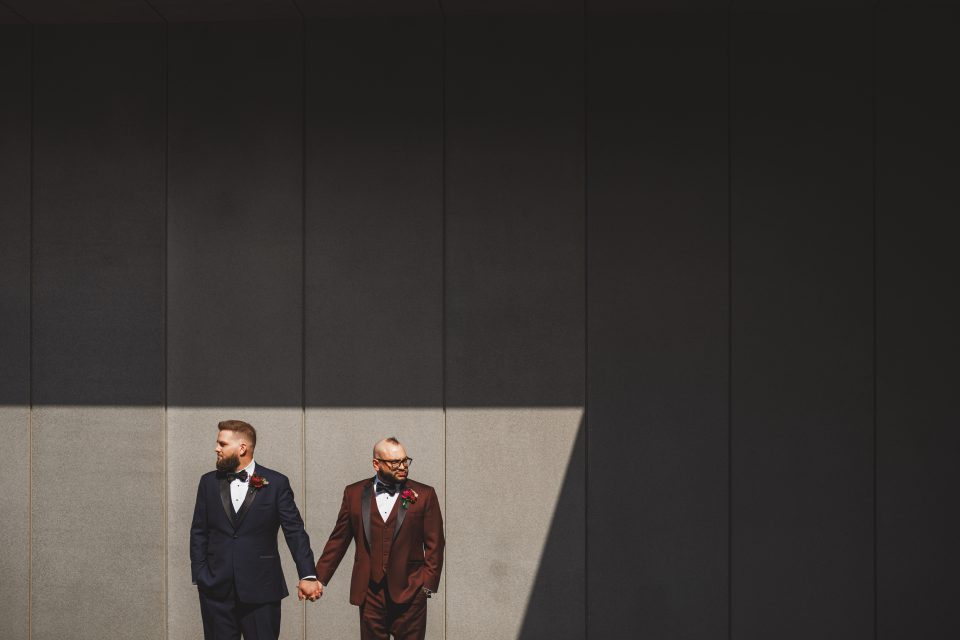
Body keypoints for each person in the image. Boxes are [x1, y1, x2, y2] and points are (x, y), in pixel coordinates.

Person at [190, 420, 321, 640]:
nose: (216, 448)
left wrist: (307, 574)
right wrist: (201, 574)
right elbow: (199, 532)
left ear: (242, 448)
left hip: (262, 588)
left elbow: (295, 530)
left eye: (222, 443)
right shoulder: (208, 483)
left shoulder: (277, 483)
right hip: (215, 590)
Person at [314, 437, 445, 640]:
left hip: (410, 592)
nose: (402, 467)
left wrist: (426, 586)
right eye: (395, 463)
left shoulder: (425, 494)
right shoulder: (354, 493)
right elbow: (338, 539)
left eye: (405, 461)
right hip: (369, 593)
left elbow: (435, 544)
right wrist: (318, 578)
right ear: (377, 464)